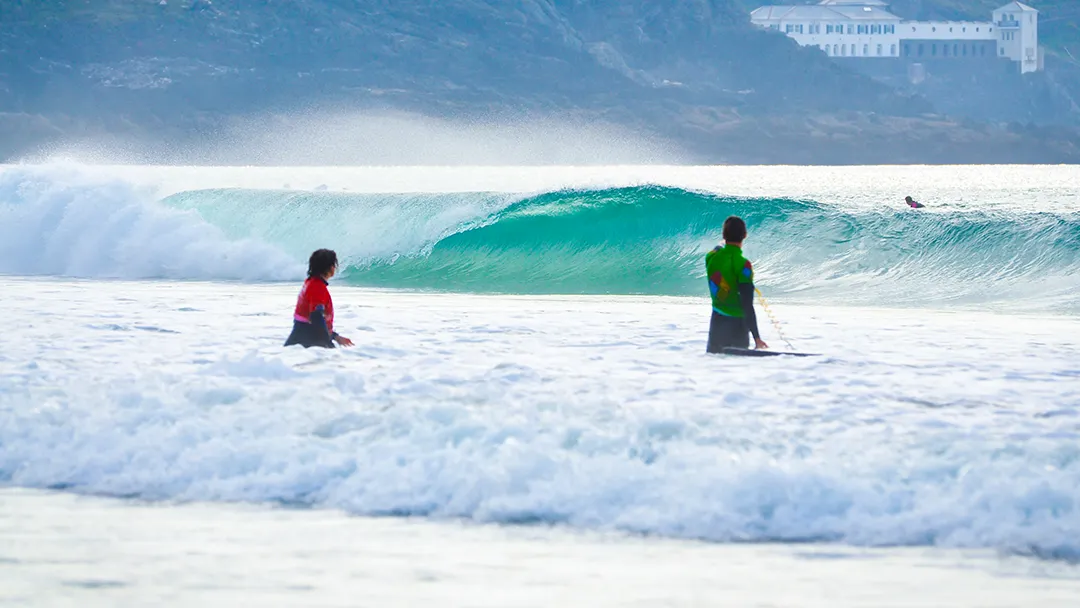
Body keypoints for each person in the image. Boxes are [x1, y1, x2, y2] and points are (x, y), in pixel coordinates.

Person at [705, 216, 768, 353]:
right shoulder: (743, 264)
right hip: (737, 326)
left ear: (724, 235)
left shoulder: (711, 257)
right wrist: (756, 337)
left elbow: (718, 247)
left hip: (716, 323)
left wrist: (724, 241)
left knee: (713, 366)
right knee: (735, 369)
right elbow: (747, 304)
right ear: (745, 235)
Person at [284, 249, 354, 348]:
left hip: (305, 333)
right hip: (308, 335)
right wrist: (328, 343)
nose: (334, 267)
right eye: (333, 265)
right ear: (329, 268)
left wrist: (335, 337)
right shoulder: (317, 287)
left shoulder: (312, 283)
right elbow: (316, 316)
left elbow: (317, 319)